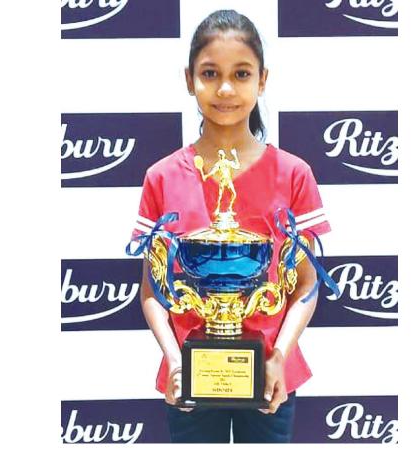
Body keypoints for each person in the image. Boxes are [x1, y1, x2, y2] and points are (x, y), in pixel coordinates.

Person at [131, 9, 331, 444]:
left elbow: (305, 285)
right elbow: (152, 289)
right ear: (189, 80)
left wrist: (278, 357)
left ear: (262, 80)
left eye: (241, 74)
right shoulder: (162, 177)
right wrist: (176, 360)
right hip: (189, 375)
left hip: (271, 377)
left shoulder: (294, 174)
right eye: (210, 73)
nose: (225, 88)